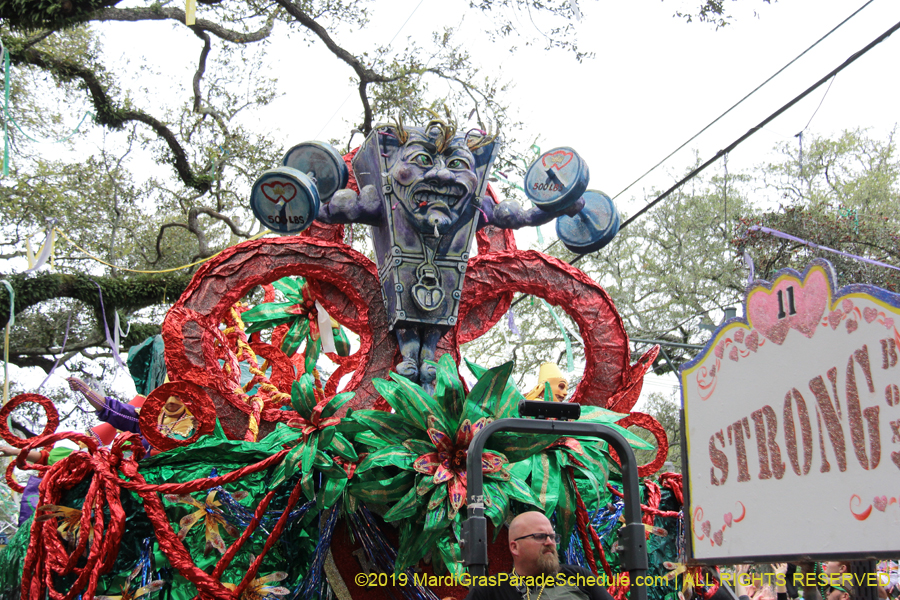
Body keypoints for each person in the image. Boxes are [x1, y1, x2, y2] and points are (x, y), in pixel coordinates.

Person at [464, 511, 615, 600]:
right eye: (540, 536)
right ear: (515, 547)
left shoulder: (578, 577)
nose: (550, 542)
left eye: (552, 537)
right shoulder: (490, 590)